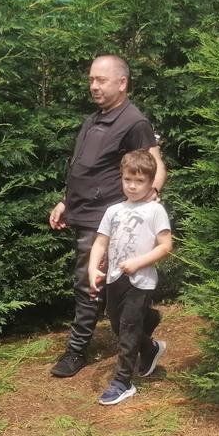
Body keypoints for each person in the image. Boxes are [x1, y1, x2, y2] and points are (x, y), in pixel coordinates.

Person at [49, 54, 166, 378]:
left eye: (101, 80)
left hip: (106, 218)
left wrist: (146, 207)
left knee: (89, 286)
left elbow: (156, 167)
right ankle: (146, 325)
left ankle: (76, 352)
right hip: (83, 213)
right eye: (91, 79)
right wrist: (66, 202)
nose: (94, 86)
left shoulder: (133, 122)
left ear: (122, 83)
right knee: (111, 290)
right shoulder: (95, 119)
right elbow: (87, 169)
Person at [87, 150, 172, 404]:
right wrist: (93, 268)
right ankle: (150, 346)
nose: (133, 186)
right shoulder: (113, 211)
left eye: (140, 181)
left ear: (150, 182)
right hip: (115, 279)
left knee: (128, 329)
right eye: (127, 180)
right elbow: (101, 243)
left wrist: (138, 263)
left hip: (141, 280)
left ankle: (122, 382)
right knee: (117, 324)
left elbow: (165, 246)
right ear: (121, 178)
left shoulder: (155, 211)